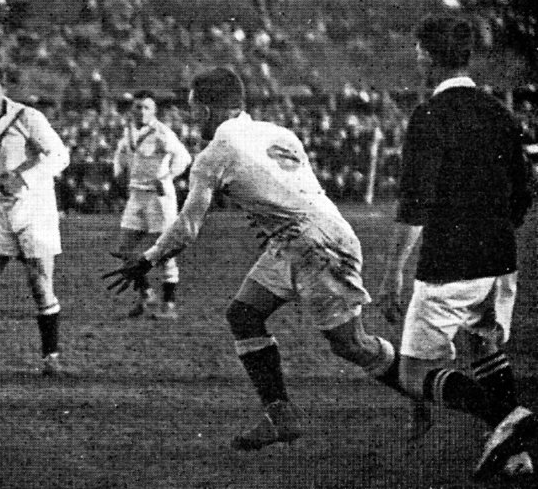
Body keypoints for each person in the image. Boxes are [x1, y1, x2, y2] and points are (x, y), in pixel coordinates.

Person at [105, 67, 410, 453]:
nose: (191, 117)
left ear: (209, 109)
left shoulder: (215, 153)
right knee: (244, 314)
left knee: (352, 345)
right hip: (308, 236)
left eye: (194, 109)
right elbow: (295, 190)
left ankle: (429, 389)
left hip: (313, 247)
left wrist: (145, 260)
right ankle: (281, 416)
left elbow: (187, 228)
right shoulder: (279, 132)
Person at [378, 14, 537, 481]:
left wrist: (392, 275)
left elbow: (414, 207)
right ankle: (517, 457)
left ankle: (506, 419)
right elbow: (524, 189)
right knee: (484, 344)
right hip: (499, 261)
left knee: (412, 374)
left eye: (416, 50)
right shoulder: (498, 112)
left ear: (426, 55)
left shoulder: (430, 116)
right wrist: (498, 230)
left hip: (452, 263)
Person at [0, 65, 70, 376]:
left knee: (40, 285)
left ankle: (51, 358)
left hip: (35, 209)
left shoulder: (28, 117)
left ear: (3, 90)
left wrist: (22, 177)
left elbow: (60, 155)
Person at [111, 91, 191, 319]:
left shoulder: (163, 133)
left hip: (159, 198)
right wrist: (118, 172)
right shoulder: (128, 132)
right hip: (136, 196)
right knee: (124, 250)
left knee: (164, 252)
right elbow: (120, 154)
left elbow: (184, 158)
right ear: (132, 110)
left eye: (146, 107)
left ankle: (169, 305)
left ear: (154, 111)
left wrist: (166, 177)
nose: (141, 111)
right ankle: (146, 294)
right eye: (138, 107)